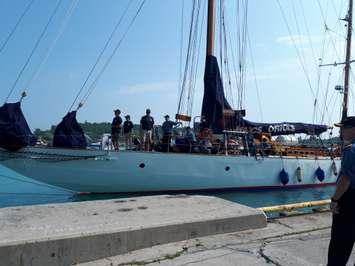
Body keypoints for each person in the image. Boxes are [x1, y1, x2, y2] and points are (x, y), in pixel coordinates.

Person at [327, 116, 355, 266]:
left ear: (353, 129)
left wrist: (335, 200)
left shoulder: (351, 150)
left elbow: (346, 180)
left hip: (349, 201)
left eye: (343, 127)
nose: (341, 131)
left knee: (340, 245)